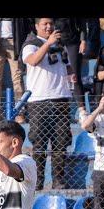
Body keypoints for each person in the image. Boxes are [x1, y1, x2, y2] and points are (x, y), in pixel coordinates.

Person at [22, 17, 76, 190]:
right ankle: (37, 182)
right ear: (37, 26)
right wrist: (48, 43)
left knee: (60, 142)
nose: (49, 27)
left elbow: (67, 66)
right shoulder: (30, 43)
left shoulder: (60, 44)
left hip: (61, 98)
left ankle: (58, 180)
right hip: (39, 100)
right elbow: (33, 60)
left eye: (51, 24)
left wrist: (71, 74)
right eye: (44, 24)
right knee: (39, 143)